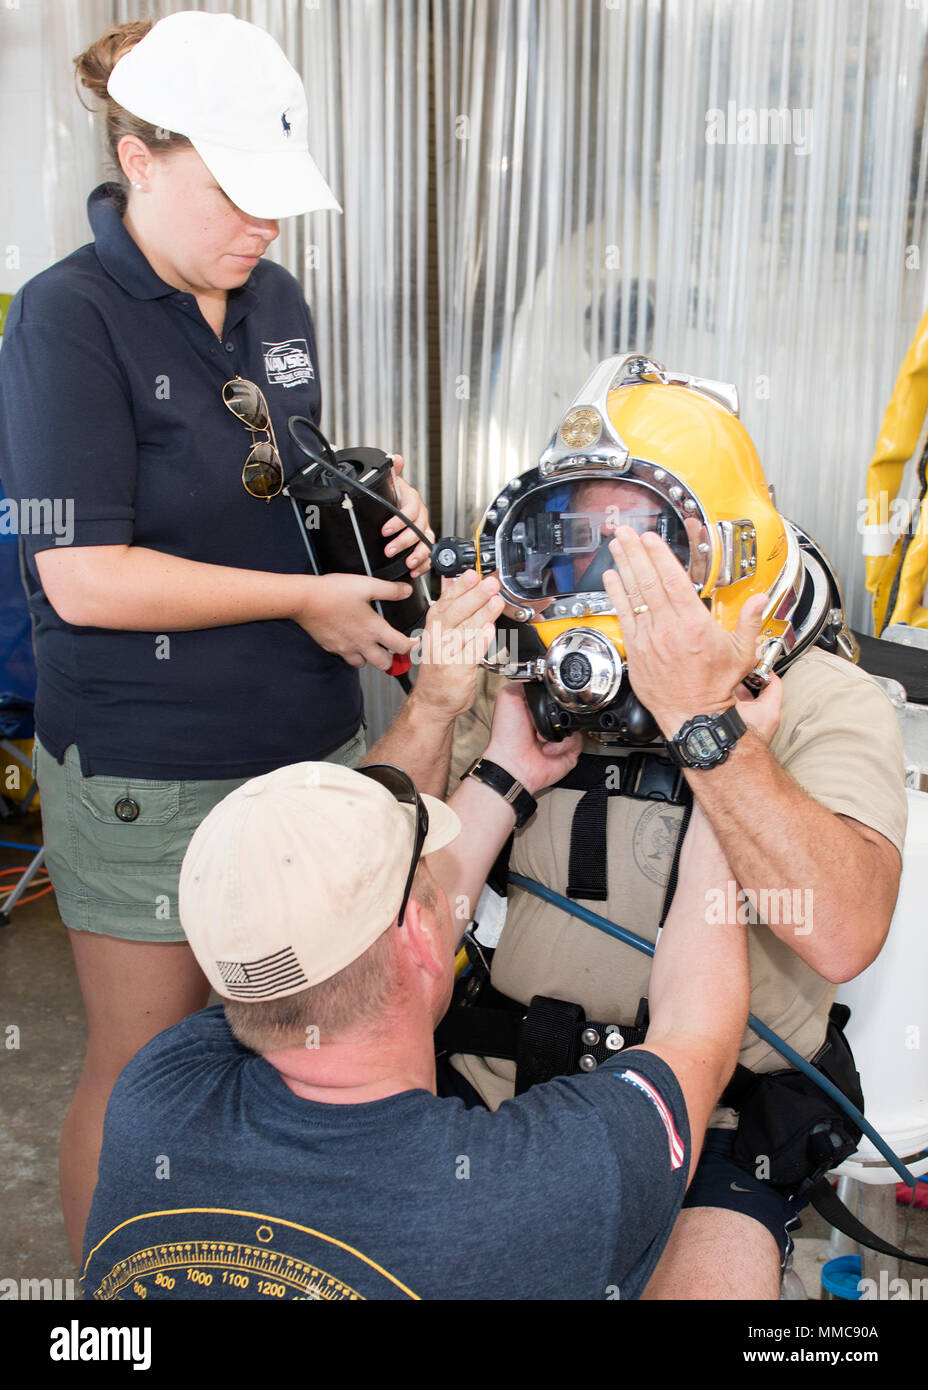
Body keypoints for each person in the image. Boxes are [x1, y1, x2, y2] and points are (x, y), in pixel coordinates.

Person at [0, 11, 433, 1264]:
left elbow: (274, 470)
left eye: (278, 200)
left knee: (312, 1055)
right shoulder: (64, 321)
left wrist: (367, 508)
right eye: (237, 193)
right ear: (139, 161)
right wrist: (301, 601)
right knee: (149, 1075)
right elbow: (82, 577)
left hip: (304, 741)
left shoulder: (271, 293)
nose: (264, 227)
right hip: (152, 764)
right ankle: (107, 1311)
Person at [393, 357, 909, 1298]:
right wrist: (434, 708)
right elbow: (343, 892)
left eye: (640, 555)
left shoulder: (824, 702)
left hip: (716, 1125)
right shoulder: (531, 679)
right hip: (497, 1085)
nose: (599, 591)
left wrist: (713, 736)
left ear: (729, 553)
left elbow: (844, 932)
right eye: (575, 551)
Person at [80, 679, 750, 1302]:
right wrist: (724, 775)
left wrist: (504, 773)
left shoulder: (155, 1095)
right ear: (424, 938)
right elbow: (699, 1034)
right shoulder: (528, 1193)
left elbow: (363, 953)